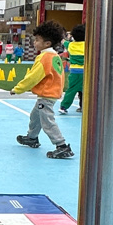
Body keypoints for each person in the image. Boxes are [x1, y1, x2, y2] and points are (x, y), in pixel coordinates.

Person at [11, 20, 73, 158]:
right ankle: (32, 137)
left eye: (37, 40)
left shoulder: (44, 58)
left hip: (47, 95)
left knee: (47, 121)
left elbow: (33, 77)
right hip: (52, 93)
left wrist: (18, 89)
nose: (34, 43)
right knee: (35, 116)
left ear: (47, 43)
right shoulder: (55, 56)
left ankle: (61, 145)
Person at [60, 23, 85, 115]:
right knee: (86, 91)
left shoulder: (70, 45)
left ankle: (63, 107)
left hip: (74, 72)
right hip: (86, 72)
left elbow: (63, 41)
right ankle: (84, 106)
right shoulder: (88, 45)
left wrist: (66, 36)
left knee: (71, 90)